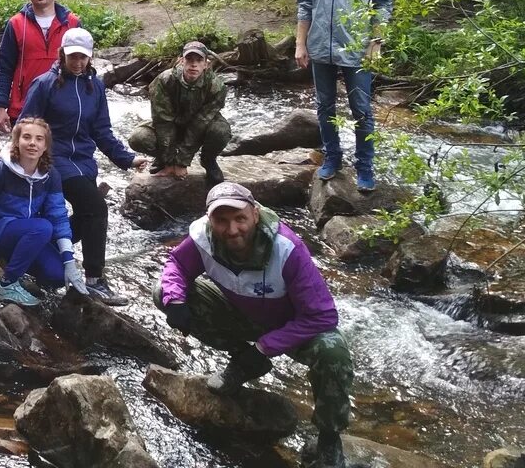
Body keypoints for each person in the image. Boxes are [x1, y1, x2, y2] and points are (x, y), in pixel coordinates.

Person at [156, 182, 353, 468]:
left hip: (291, 326)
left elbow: (322, 316)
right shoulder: (202, 238)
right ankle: (242, 362)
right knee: (162, 291)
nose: (232, 229)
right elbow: (178, 265)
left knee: (333, 353)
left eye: (240, 218)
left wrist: (263, 348)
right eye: (221, 220)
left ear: (255, 215)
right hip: (240, 314)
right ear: (210, 220)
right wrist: (175, 300)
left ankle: (329, 437)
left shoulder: (287, 249)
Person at [19, 26, 149, 305]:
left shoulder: (96, 86)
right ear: (62, 53)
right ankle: (94, 280)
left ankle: (42, 249)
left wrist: (126, 158)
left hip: (84, 163)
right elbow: (24, 127)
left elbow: (102, 130)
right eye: (73, 56)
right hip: (52, 161)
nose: (78, 62)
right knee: (96, 208)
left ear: (90, 57)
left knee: (87, 216)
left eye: (83, 57)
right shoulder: (45, 84)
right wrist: (23, 163)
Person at [295, 0, 393, 192]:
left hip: (357, 48)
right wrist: (301, 44)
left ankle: (365, 166)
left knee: (361, 109)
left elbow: (383, 5)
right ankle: (333, 157)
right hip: (320, 48)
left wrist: (377, 42)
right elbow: (304, 6)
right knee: (324, 107)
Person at [0, 117, 86, 307]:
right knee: (43, 227)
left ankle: (15, 266)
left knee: (58, 275)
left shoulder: (50, 176)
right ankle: (7, 284)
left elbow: (58, 216)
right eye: (26, 137)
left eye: (39, 139)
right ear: (16, 142)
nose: (32, 143)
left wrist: (69, 262)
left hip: (25, 233)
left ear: (45, 146)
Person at [0, 0, 81, 134]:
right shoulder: (16, 24)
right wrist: (1, 106)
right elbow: (4, 68)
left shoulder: (73, 24)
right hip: (24, 108)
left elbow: (83, 68)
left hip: (64, 107)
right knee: (24, 158)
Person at [128, 40, 230, 186]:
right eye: (189, 59)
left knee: (221, 131)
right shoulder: (165, 80)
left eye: (199, 60)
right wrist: (169, 161)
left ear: (206, 64)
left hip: (201, 127)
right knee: (138, 138)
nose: (193, 65)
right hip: (172, 124)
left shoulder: (217, 86)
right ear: (181, 61)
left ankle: (208, 160)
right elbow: (163, 121)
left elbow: (200, 123)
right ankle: (162, 159)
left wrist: (182, 162)